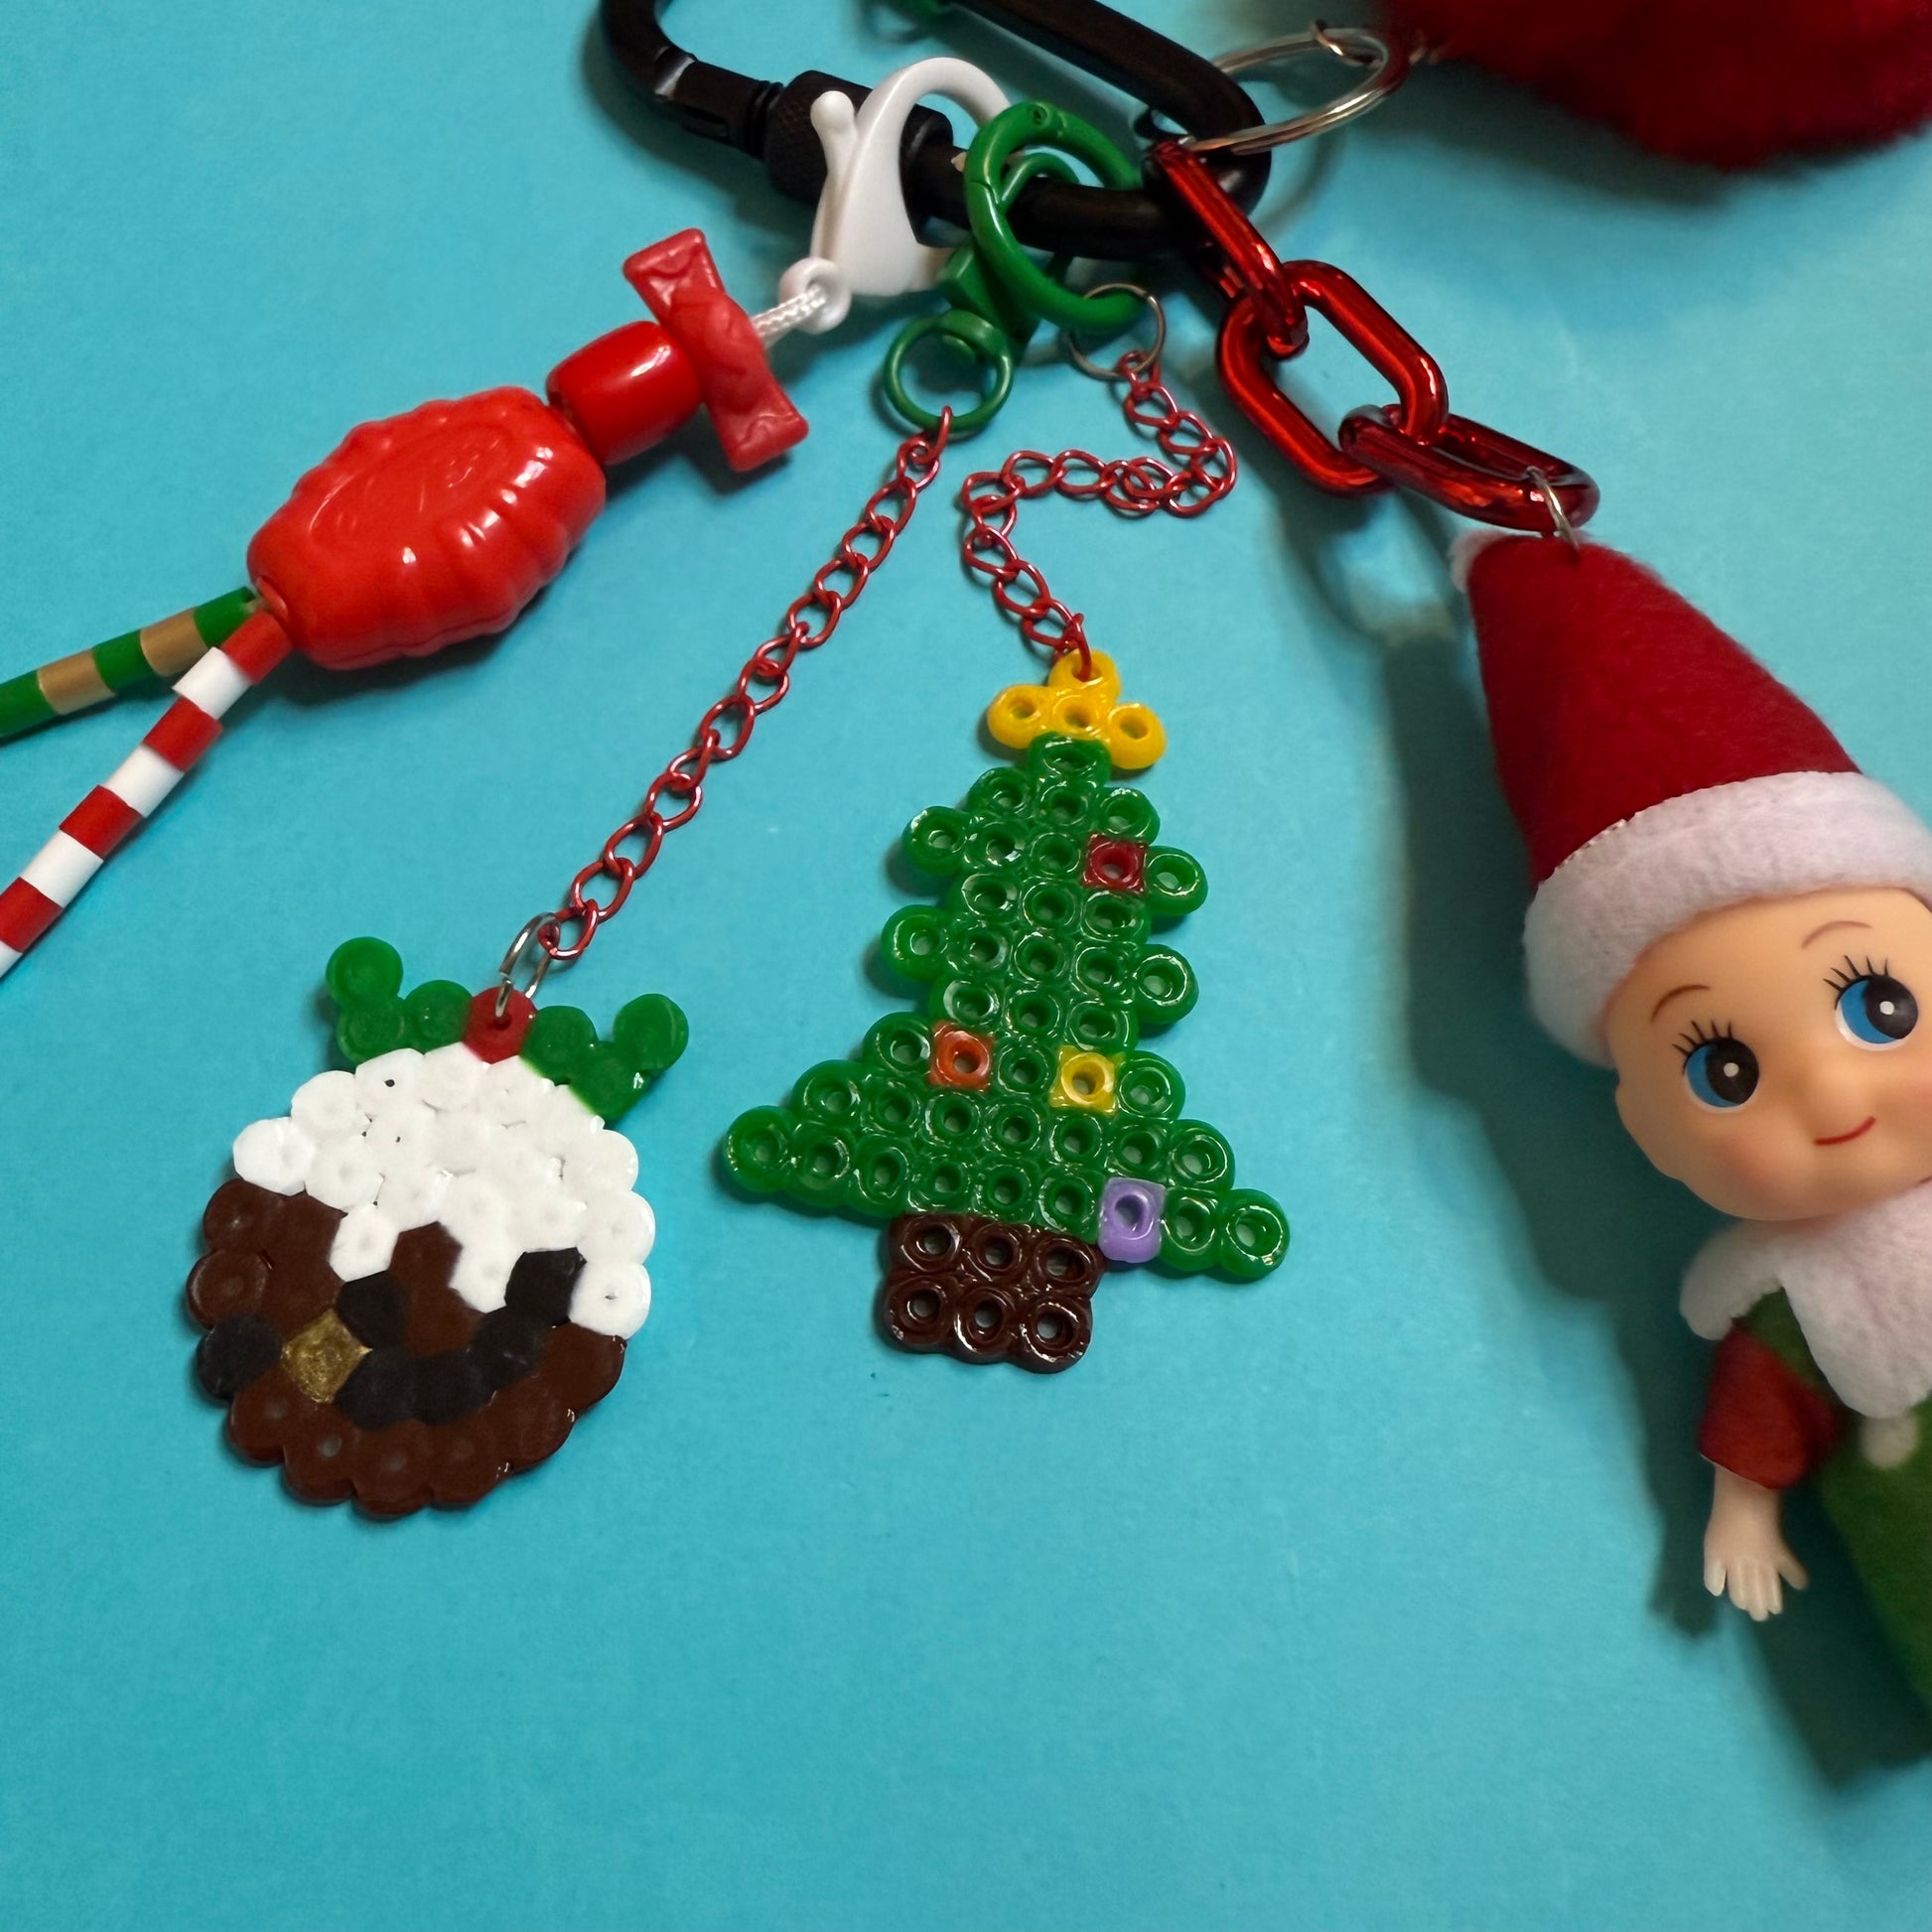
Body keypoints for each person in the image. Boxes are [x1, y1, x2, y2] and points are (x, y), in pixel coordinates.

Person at [1460, 531, 1932, 1704]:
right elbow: (1765, 1413)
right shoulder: (1791, 1302)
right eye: (1724, 1069)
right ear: (1648, 1129)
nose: (1832, 1096)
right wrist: (1741, 1510)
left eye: (1879, 1005)